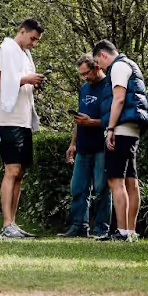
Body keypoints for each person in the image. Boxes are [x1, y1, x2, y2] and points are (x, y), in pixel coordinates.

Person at [0, 17, 45, 239]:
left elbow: (20, 81)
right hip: (7, 119)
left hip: (23, 120)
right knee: (11, 170)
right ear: (22, 31)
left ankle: (13, 222)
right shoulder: (4, 51)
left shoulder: (25, 55)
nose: (34, 43)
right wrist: (25, 79)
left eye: (37, 40)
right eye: (33, 38)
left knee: (20, 171)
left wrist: (33, 82)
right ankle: (6, 224)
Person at [95, 39, 148, 242]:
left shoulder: (117, 66)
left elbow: (118, 98)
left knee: (116, 180)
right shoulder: (131, 65)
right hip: (133, 129)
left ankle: (122, 231)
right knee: (131, 181)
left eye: (98, 63)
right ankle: (131, 231)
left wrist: (110, 128)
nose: (100, 68)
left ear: (103, 55)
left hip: (120, 128)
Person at [60, 53, 113, 239]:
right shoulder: (84, 88)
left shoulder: (109, 87)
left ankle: (101, 229)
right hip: (83, 147)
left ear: (97, 67)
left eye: (86, 73)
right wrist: (72, 143)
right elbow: (79, 119)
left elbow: (113, 119)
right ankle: (79, 226)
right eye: (81, 74)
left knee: (101, 189)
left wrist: (93, 122)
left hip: (102, 146)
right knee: (78, 188)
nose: (84, 78)